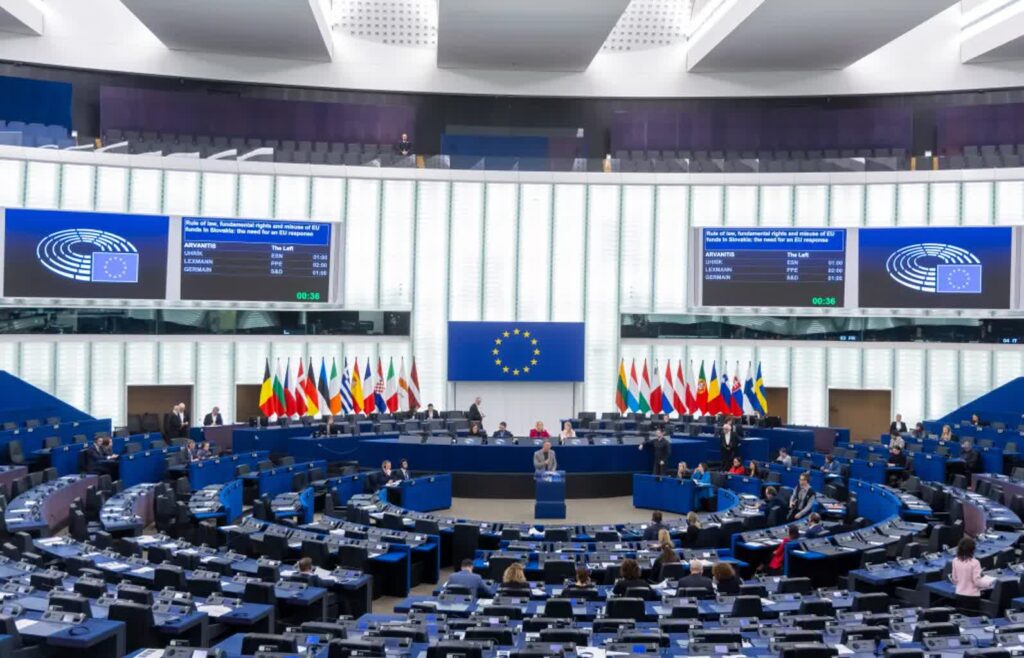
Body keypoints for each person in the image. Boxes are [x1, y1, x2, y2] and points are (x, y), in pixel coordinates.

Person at [951, 537, 992, 601]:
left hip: (959, 595)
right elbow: (977, 582)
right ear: (973, 549)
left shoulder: (955, 561)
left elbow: (954, 579)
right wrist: (989, 583)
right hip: (972, 597)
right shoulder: (975, 562)